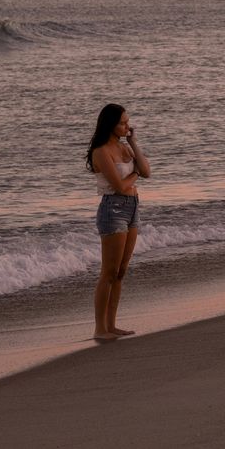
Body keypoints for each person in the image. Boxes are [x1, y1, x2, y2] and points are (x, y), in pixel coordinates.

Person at [86, 103, 151, 341]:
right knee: (109, 272)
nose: (127, 126)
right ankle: (100, 328)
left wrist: (134, 142)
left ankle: (112, 326)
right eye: (122, 123)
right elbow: (121, 187)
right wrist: (136, 175)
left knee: (121, 272)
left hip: (133, 208)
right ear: (110, 124)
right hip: (113, 209)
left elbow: (147, 170)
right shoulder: (101, 151)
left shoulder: (125, 147)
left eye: (127, 121)